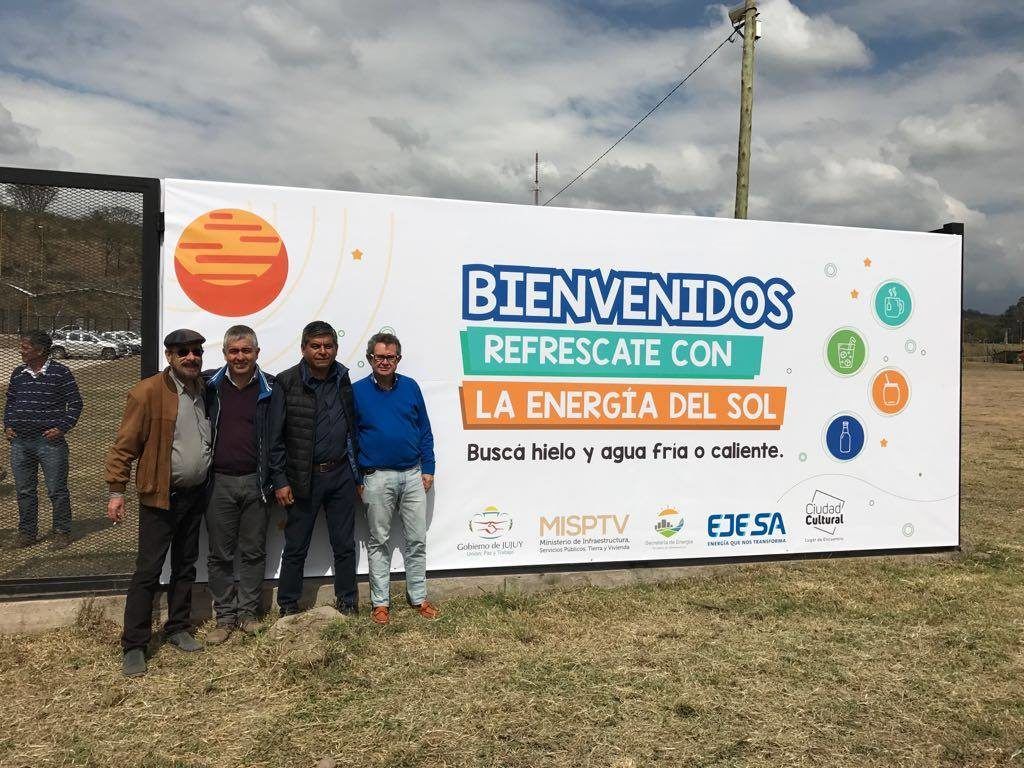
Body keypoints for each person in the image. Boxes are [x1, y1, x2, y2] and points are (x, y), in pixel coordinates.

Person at [106, 329, 212, 677]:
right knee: (148, 571)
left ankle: (178, 627)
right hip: (160, 497)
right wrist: (116, 490)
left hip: (195, 496)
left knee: (185, 565)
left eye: (196, 351)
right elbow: (125, 445)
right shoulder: (148, 392)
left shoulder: (203, 390)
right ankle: (134, 644)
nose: (191, 357)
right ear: (169, 356)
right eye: (183, 352)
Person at [270, 320, 360, 616]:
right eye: (316, 346)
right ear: (304, 349)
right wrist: (280, 479)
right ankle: (288, 604)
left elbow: (352, 427)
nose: (323, 352)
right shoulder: (286, 382)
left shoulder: (343, 378)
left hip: (341, 474)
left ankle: (348, 601)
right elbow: (275, 437)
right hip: (302, 477)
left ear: (336, 348)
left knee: (344, 544)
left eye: (328, 346)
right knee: (296, 545)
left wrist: (356, 473)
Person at [353, 332, 438, 625]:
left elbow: (424, 429)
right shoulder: (357, 392)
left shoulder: (412, 388)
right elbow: (350, 438)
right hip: (376, 477)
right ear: (370, 359)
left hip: (413, 474)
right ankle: (380, 603)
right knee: (378, 541)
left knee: (416, 540)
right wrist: (357, 477)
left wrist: (428, 467)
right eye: (379, 357)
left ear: (398, 359)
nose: (385, 362)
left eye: (390, 357)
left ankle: (419, 598)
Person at [202, 325, 276, 643]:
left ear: (257, 353)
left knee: (254, 552)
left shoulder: (271, 388)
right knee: (220, 554)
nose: (240, 357)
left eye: (246, 350)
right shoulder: (208, 386)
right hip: (219, 483)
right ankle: (225, 618)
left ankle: (247, 614)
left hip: (256, 482)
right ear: (225, 355)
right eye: (234, 351)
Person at [4, 330, 82, 550]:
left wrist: (62, 428)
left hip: (49, 443)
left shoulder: (61, 373)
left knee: (56, 490)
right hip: (19, 442)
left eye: (25, 347)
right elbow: (10, 402)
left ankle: (61, 532)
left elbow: (75, 404)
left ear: (39, 350)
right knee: (24, 490)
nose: (21, 350)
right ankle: (27, 533)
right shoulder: (18, 373)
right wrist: (8, 426)